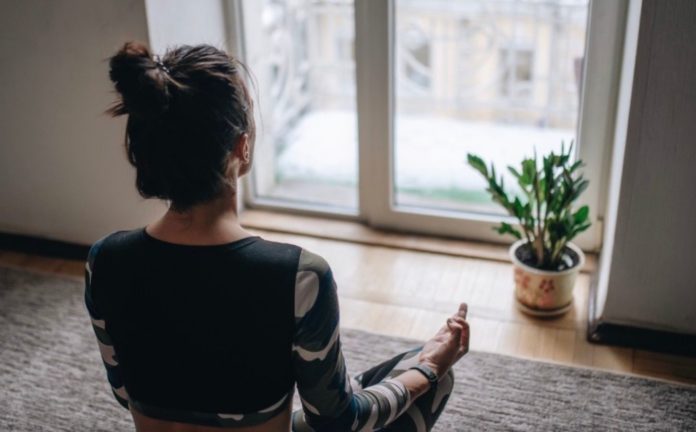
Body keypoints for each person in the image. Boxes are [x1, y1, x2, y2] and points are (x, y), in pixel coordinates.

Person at [84, 41, 471, 432]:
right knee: (422, 377)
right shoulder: (298, 276)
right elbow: (336, 421)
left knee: (393, 375)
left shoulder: (104, 260)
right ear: (242, 145)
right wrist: (429, 369)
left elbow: (123, 392)